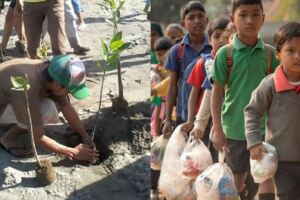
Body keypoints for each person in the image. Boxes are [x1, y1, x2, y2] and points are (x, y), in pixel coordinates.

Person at [210, 0, 279, 199]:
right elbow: (216, 94)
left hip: (263, 129)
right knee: (237, 179)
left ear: (263, 19)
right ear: (233, 19)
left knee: (265, 176)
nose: (250, 20)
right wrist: (218, 128)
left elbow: (278, 91)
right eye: (243, 15)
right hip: (234, 130)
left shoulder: (269, 53)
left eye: (256, 14)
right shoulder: (225, 54)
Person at [0, 55, 98, 162]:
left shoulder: (51, 69)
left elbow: (66, 106)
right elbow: (38, 137)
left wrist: (84, 136)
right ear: (57, 86)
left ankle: (16, 123)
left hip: (7, 97)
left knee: (56, 104)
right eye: (69, 91)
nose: (68, 94)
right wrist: (73, 152)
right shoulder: (27, 88)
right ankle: (8, 138)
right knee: (48, 109)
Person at [245, 22, 300, 200]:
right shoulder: (270, 84)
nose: (297, 56)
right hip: (282, 161)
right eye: (290, 50)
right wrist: (253, 141)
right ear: (278, 54)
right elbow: (252, 112)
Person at [162, 1, 211, 137]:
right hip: (183, 115)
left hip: (209, 114)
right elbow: (172, 87)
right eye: (191, 18)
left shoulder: (214, 48)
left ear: (206, 21)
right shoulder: (177, 51)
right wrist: (167, 119)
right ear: (183, 23)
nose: (197, 21)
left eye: (200, 16)